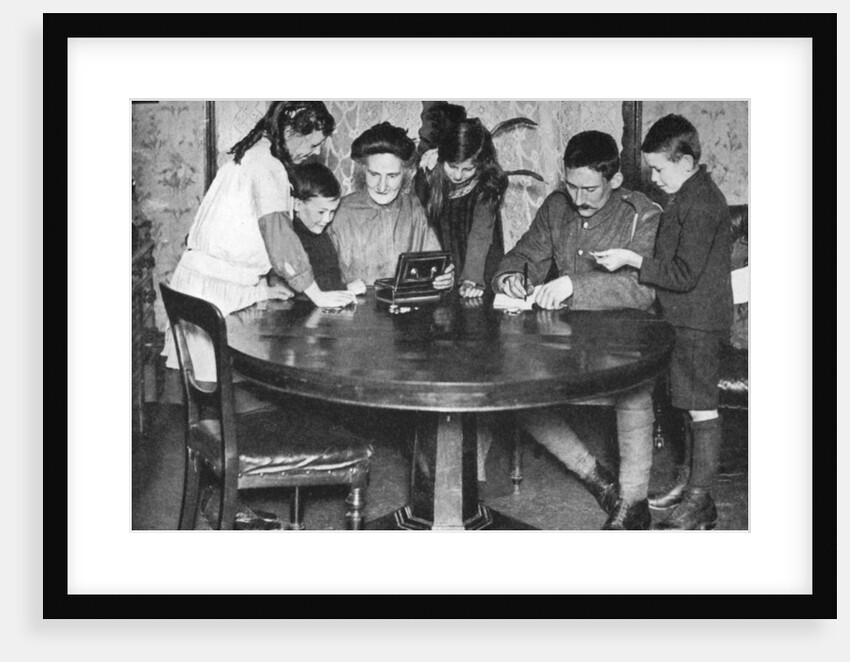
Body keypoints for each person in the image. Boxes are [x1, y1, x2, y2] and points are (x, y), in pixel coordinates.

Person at [492, 130, 662, 529]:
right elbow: (520, 254)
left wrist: (573, 286)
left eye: (590, 189)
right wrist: (511, 277)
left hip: (625, 334)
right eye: (571, 185)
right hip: (565, 334)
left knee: (634, 385)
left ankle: (634, 502)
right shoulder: (557, 206)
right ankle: (594, 476)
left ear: (615, 181)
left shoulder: (643, 213)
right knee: (517, 385)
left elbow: (644, 290)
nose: (578, 199)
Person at [593, 114, 733, 530]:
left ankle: (700, 501)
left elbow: (683, 275)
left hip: (698, 324)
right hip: (684, 320)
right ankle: (690, 484)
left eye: (659, 168)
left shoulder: (702, 203)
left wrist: (631, 259)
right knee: (687, 408)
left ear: (686, 162)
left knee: (702, 411)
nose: (654, 177)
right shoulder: (690, 195)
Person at [162, 101, 355, 382]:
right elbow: (279, 237)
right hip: (214, 294)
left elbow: (239, 236)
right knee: (218, 386)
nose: (313, 153)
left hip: (205, 284)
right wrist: (317, 294)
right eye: (312, 144)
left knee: (213, 389)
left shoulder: (252, 153)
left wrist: (259, 291)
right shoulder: (269, 165)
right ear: (290, 130)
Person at [329, 121, 454, 290]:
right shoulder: (339, 213)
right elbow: (321, 278)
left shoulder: (416, 211)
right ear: (363, 169)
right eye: (374, 174)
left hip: (405, 310)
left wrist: (443, 278)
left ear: (407, 173)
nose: (382, 186)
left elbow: (434, 267)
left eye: (392, 176)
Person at [415, 117, 509, 298]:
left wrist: (470, 280)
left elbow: (480, 237)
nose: (458, 176)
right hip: (440, 257)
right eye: (452, 166)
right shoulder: (428, 177)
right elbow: (418, 225)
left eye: (467, 169)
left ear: (481, 164)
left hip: (477, 264)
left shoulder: (485, 187)